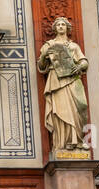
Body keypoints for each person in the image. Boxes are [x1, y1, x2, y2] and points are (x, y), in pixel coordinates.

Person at [38, 16, 91, 152]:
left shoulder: (73, 46)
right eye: (58, 25)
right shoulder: (48, 45)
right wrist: (44, 55)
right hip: (56, 80)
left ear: (67, 28)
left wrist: (79, 67)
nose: (61, 26)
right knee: (60, 111)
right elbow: (41, 65)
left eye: (63, 24)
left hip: (73, 79)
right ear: (54, 28)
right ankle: (62, 144)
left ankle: (78, 140)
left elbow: (84, 61)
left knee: (79, 108)